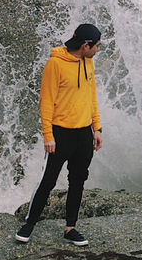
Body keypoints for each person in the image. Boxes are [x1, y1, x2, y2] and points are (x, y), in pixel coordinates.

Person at [16, 23, 104, 246]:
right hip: (60, 134)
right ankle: (29, 224)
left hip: (84, 134)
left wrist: (98, 128)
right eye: (97, 46)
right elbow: (46, 102)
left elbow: (92, 97)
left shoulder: (89, 62)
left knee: (78, 181)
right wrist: (48, 135)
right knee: (48, 181)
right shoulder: (55, 64)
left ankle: (71, 228)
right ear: (85, 45)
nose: (98, 50)